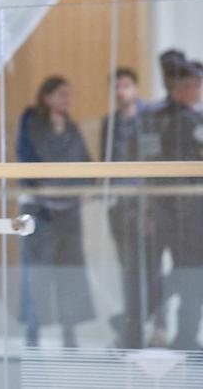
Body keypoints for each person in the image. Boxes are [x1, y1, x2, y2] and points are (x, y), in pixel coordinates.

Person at [16, 76, 94, 348]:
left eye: (69, 94)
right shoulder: (31, 122)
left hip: (69, 211)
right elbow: (24, 158)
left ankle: (69, 334)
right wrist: (39, 187)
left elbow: (87, 164)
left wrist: (87, 188)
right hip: (40, 211)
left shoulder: (71, 128)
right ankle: (33, 334)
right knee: (36, 274)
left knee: (70, 273)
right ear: (47, 96)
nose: (66, 100)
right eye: (61, 94)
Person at [140, 60, 203, 349]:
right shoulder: (173, 120)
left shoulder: (168, 117)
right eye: (196, 85)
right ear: (183, 87)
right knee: (191, 274)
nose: (199, 91)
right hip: (180, 212)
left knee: (189, 274)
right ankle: (181, 334)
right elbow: (150, 166)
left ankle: (181, 332)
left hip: (180, 210)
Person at [100, 67, 158, 348]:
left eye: (126, 85)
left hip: (147, 205)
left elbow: (156, 162)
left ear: (135, 87)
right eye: (117, 86)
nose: (121, 91)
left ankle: (138, 324)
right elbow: (105, 162)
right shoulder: (110, 123)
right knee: (128, 271)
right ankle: (132, 332)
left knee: (151, 272)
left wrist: (150, 209)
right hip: (119, 205)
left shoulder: (150, 119)